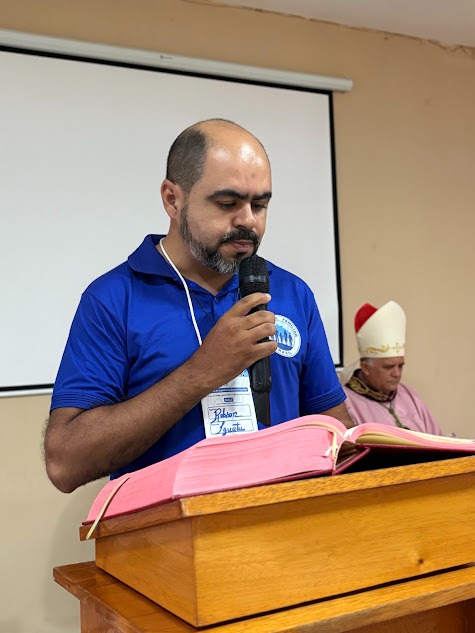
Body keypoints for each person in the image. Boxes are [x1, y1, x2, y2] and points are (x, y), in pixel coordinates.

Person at [44, 118, 353, 493]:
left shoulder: (292, 292)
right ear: (172, 199)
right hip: (171, 527)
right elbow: (65, 464)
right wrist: (203, 372)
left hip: (282, 521)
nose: (248, 221)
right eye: (227, 203)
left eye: (260, 205)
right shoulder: (113, 298)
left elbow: (334, 429)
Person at [339, 300, 443, 434]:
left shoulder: (409, 395)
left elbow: (437, 438)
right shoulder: (345, 403)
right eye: (388, 367)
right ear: (365, 367)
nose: (397, 374)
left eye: (400, 366)